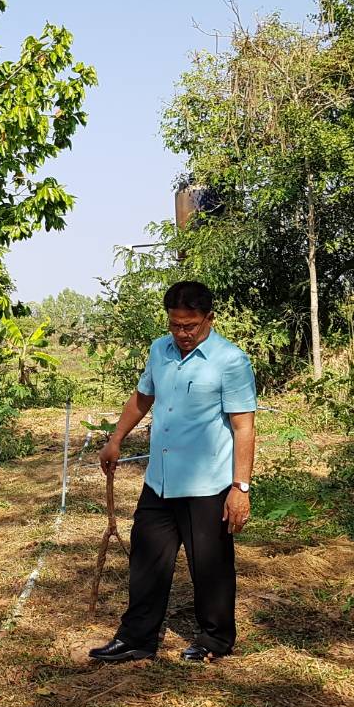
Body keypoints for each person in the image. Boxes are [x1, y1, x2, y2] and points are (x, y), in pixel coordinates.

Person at [91, 280, 257, 664]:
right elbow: (144, 395)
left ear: (209, 318)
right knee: (146, 561)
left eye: (191, 326)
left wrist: (240, 487)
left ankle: (215, 639)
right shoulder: (159, 350)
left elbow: (243, 427)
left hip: (207, 484)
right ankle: (137, 638)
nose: (182, 334)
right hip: (160, 481)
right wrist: (116, 438)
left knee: (210, 567)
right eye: (176, 325)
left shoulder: (230, 361)